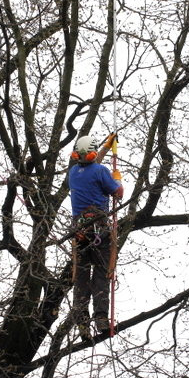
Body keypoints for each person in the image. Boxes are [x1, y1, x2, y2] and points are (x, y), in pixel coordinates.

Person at [68, 134, 123, 336]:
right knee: (101, 274)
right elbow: (119, 193)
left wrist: (105, 148)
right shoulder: (101, 171)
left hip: (79, 232)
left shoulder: (73, 172)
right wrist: (117, 180)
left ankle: (82, 323)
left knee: (81, 278)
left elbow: (90, 168)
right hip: (99, 231)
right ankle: (101, 319)